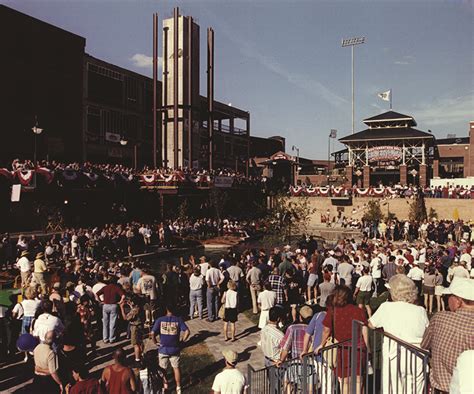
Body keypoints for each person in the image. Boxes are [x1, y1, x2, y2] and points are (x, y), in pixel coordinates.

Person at [369, 275, 429, 394]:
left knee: (393, 387)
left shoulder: (386, 307)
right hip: (417, 353)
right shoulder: (420, 310)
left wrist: (383, 330)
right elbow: (427, 329)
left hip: (395, 352)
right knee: (415, 388)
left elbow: (371, 324)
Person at [421, 278, 474, 393]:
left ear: (458, 301)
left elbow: (424, 344)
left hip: (441, 387)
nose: (447, 300)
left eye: (449, 296)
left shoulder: (440, 318)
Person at [316, 285, 369, 394]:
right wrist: (368, 348)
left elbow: (326, 330)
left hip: (342, 348)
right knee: (358, 379)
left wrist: (321, 344)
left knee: (345, 380)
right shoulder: (358, 311)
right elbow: (365, 330)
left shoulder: (333, 311)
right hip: (359, 347)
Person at [150, 304, 190, 394]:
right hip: (175, 349)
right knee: (176, 368)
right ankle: (178, 387)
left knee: (163, 370)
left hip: (163, 349)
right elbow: (187, 331)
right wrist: (182, 341)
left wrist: (155, 342)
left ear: (166, 309)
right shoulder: (178, 319)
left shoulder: (160, 320)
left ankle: (165, 386)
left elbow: (152, 333)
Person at [97, 277, 125, 343]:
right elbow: (123, 296)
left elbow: (97, 294)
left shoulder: (105, 287)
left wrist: (100, 301)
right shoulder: (116, 288)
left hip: (105, 305)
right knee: (113, 323)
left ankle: (105, 338)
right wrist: (120, 302)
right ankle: (112, 338)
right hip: (113, 305)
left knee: (105, 323)